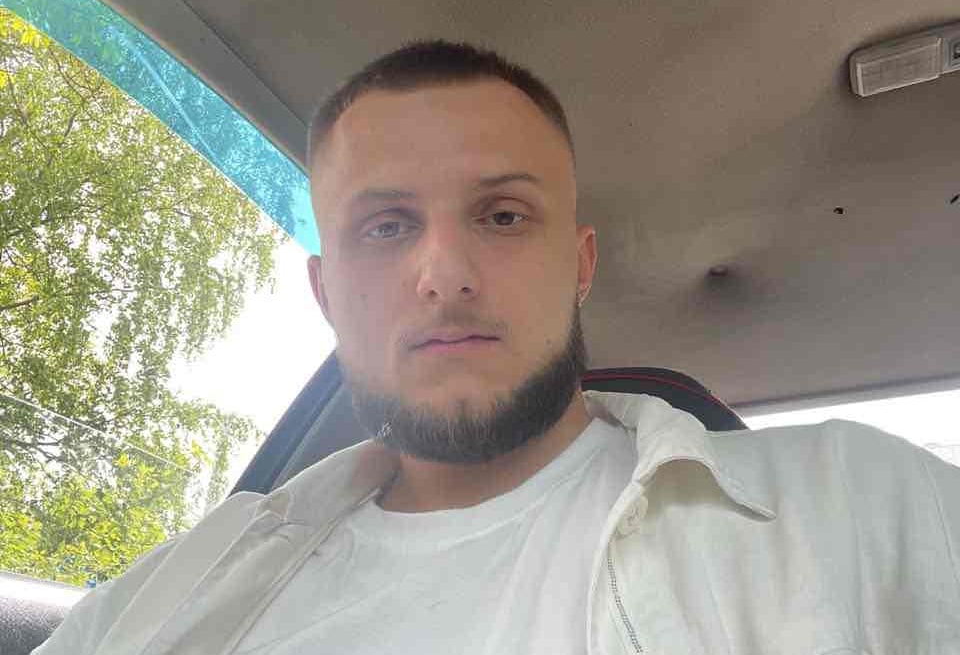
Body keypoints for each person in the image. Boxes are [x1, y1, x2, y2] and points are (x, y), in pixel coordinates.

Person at [37, 41, 960, 655]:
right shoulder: (157, 602)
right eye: (387, 226)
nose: (445, 274)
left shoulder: (868, 509)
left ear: (580, 264)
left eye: (503, 215)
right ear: (325, 294)